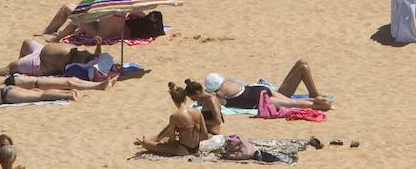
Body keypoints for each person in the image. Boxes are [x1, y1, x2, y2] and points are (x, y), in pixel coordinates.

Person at [204, 60, 333, 112]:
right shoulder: (229, 82)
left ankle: (318, 104)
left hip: (259, 97)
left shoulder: (219, 95)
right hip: (259, 88)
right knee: (302, 65)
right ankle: (314, 98)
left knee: (293, 103)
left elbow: (210, 99)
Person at [135, 82, 209, 156]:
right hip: (196, 147)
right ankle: (151, 140)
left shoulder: (174, 116)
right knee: (164, 140)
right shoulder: (198, 112)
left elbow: (172, 141)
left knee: (148, 144)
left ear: (173, 100)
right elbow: (205, 135)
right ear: (185, 98)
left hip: (183, 149)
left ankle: (146, 142)